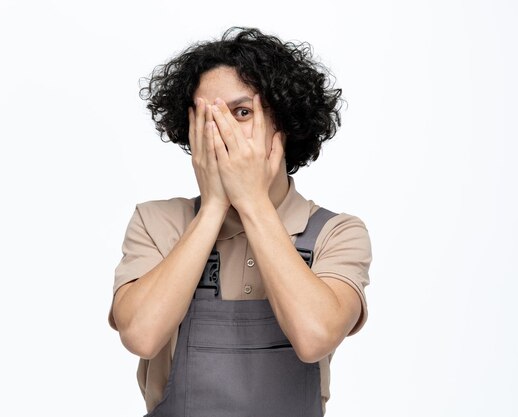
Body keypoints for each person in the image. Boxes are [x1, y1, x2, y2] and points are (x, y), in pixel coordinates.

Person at [108, 26, 372, 417]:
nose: (221, 132)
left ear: (281, 126)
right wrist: (214, 207)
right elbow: (141, 335)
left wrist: (251, 201)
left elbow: (315, 336)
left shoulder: (337, 233)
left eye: (241, 113)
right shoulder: (158, 221)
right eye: (207, 118)